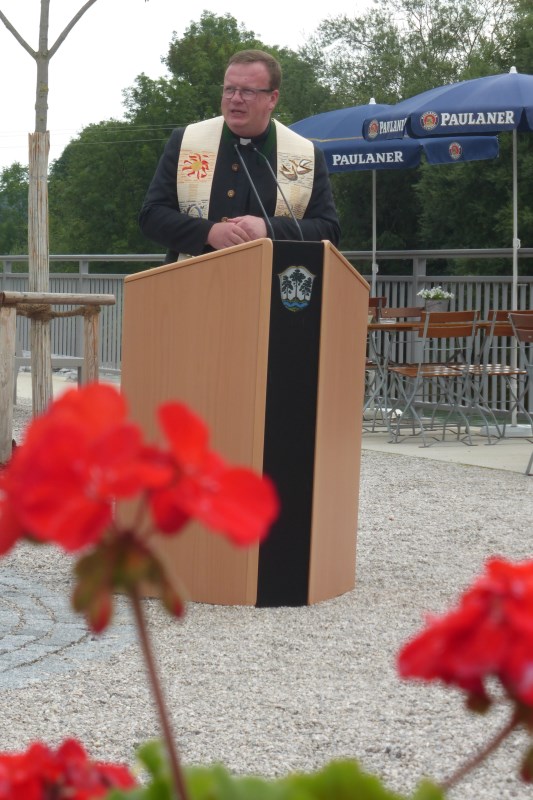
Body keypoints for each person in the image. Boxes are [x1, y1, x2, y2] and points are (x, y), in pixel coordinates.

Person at [139, 49, 341, 263]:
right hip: (192, 285)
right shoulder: (186, 141)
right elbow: (151, 216)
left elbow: (329, 231)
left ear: (272, 99)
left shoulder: (306, 155)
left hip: (269, 288)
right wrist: (209, 232)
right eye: (229, 90)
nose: (235, 99)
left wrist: (268, 228)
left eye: (247, 91)